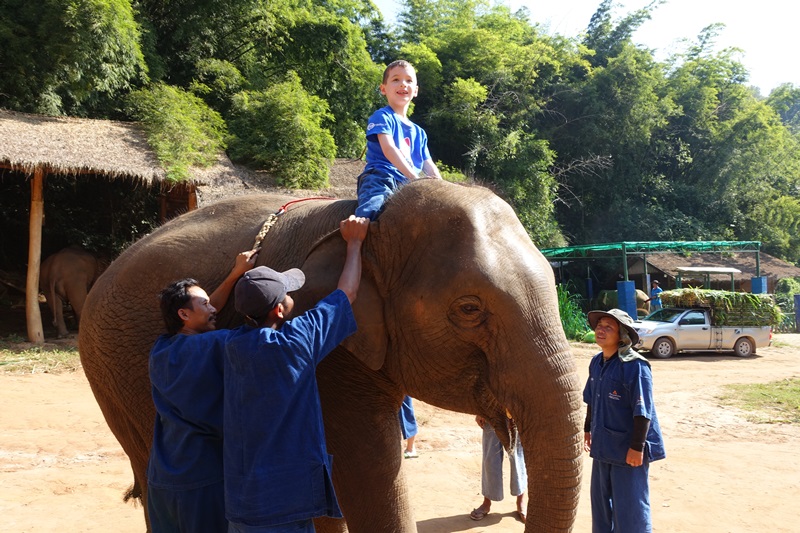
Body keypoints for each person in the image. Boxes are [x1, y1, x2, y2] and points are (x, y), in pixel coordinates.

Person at [223, 215, 369, 533]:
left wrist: (238, 275)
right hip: (286, 501)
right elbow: (348, 293)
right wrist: (355, 242)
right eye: (288, 293)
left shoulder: (231, 344)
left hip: (242, 502)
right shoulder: (297, 340)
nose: (292, 297)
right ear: (278, 310)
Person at [147, 250, 257, 533]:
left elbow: (202, 317)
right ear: (184, 313)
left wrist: (233, 275)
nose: (214, 309)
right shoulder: (218, 344)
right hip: (202, 481)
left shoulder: (161, 349)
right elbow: (266, 339)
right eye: (205, 304)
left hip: (162, 479)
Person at [583, 309, 666, 533]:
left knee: (630, 512)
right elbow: (592, 398)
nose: (600, 329)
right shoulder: (597, 362)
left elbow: (643, 411)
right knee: (601, 508)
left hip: (627, 452)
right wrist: (588, 429)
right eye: (599, 325)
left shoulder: (635, 367)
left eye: (608, 327)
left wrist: (637, 447)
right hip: (603, 447)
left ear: (622, 336)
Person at [355, 59, 442, 220]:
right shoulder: (383, 116)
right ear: (383, 89)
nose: (403, 84)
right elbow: (389, 149)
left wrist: (440, 185)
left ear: (415, 90)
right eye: (396, 80)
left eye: (409, 80)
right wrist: (415, 179)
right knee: (374, 208)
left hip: (408, 185)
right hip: (383, 177)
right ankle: (356, 239)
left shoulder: (419, 132)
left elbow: (428, 164)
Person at [469, 414, 527, 524]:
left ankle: (521, 502)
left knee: (517, 458)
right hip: (491, 411)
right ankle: (486, 503)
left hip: (516, 411)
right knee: (490, 459)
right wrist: (479, 411)